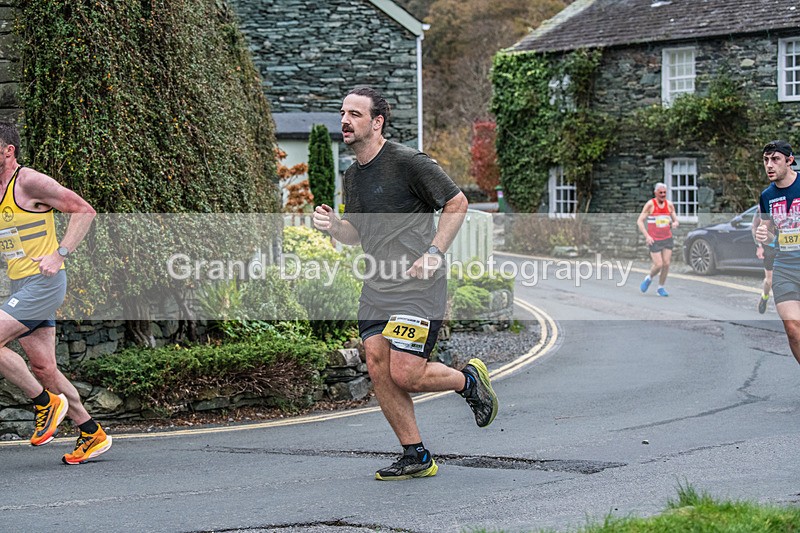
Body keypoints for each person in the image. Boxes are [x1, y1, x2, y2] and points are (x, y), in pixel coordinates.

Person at [313, 86, 498, 481]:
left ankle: (467, 381)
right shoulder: (352, 176)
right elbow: (357, 235)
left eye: (355, 114)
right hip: (377, 288)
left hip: (417, 287)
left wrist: (434, 252)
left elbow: (457, 202)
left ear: (377, 122)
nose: (344, 120)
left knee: (407, 373)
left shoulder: (409, 162)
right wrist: (334, 227)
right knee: (379, 367)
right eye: (342, 113)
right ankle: (415, 454)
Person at [0, 122, 112, 463]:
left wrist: (59, 253)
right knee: (46, 368)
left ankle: (44, 403)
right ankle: (91, 431)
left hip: (44, 282)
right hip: (23, 284)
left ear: (8, 151)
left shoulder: (29, 181)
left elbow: (84, 210)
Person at [755, 140, 800, 365]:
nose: (769, 165)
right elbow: (771, 232)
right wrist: (765, 237)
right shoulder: (767, 196)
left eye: (775, 159)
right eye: (765, 160)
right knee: (792, 329)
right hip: (785, 267)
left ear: (789, 160)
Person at [637, 182, 679, 296]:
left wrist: (675, 223)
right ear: (655, 193)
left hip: (667, 237)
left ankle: (660, 288)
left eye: (664, 193)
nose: (663, 195)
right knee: (658, 264)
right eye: (660, 192)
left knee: (666, 264)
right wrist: (647, 236)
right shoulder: (650, 204)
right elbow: (640, 221)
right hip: (654, 239)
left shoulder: (669, 205)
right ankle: (649, 278)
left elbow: (675, 219)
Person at [753, 209, 778, 314]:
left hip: (787, 248)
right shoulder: (762, 207)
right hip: (769, 248)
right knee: (769, 280)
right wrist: (759, 246)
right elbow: (755, 228)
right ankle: (765, 296)